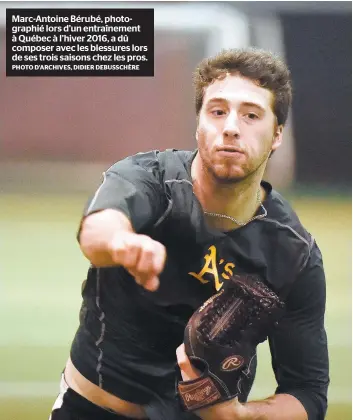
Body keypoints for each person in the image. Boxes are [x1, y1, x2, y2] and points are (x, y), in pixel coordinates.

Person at [49, 47, 329, 420]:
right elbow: (97, 229)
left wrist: (240, 415)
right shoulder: (150, 179)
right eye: (217, 111)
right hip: (92, 410)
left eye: (250, 115)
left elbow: (308, 394)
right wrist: (123, 243)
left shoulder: (294, 254)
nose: (231, 126)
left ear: (277, 134)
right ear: (198, 123)